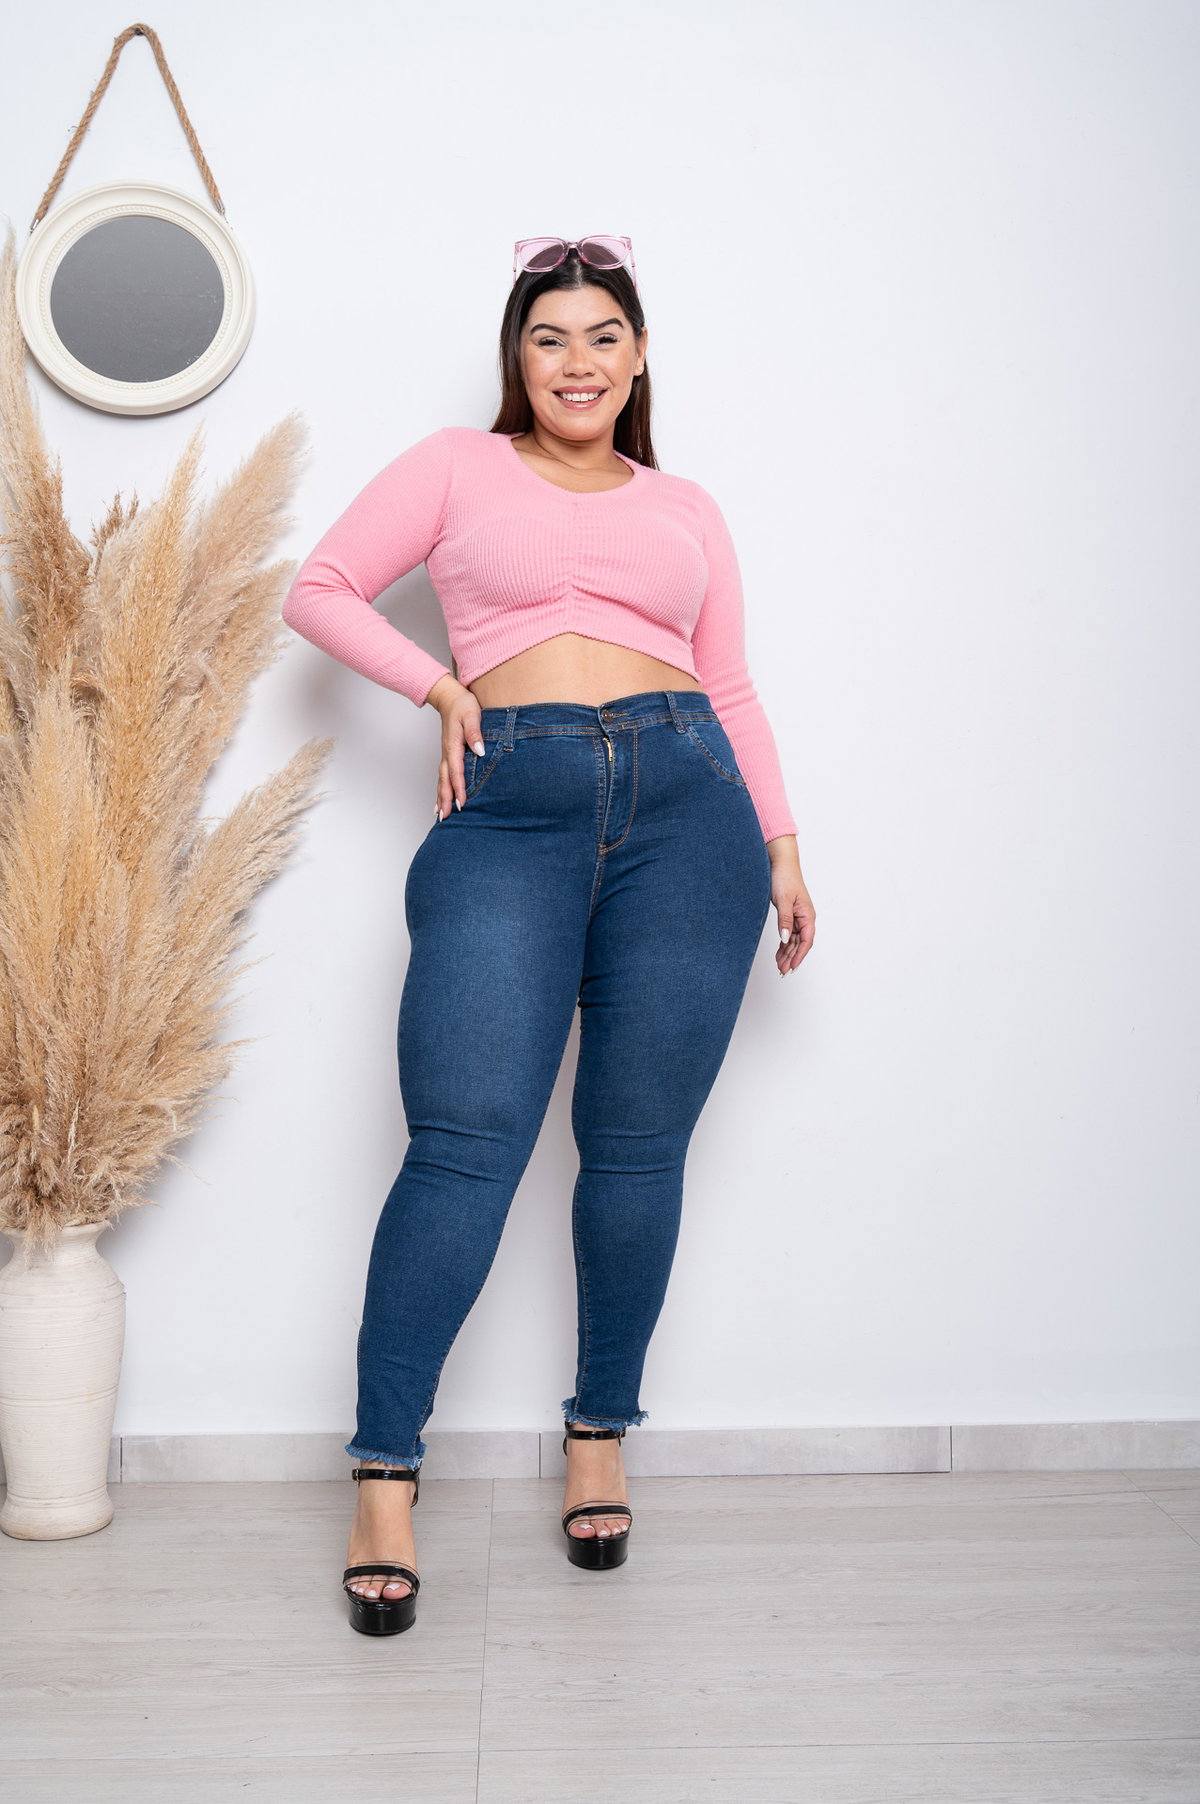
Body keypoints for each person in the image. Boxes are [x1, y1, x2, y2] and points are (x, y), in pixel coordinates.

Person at [281, 234, 816, 1636]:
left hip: (691, 809)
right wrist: (441, 689)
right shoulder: (456, 467)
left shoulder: (686, 504)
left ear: (638, 357)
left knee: (638, 1149)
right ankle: (384, 1476)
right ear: (517, 358)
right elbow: (318, 588)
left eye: (602, 337)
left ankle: (599, 1438)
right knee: (463, 1146)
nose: (577, 363)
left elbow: (733, 685)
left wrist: (781, 844)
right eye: (549, 338)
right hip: (509, 806)